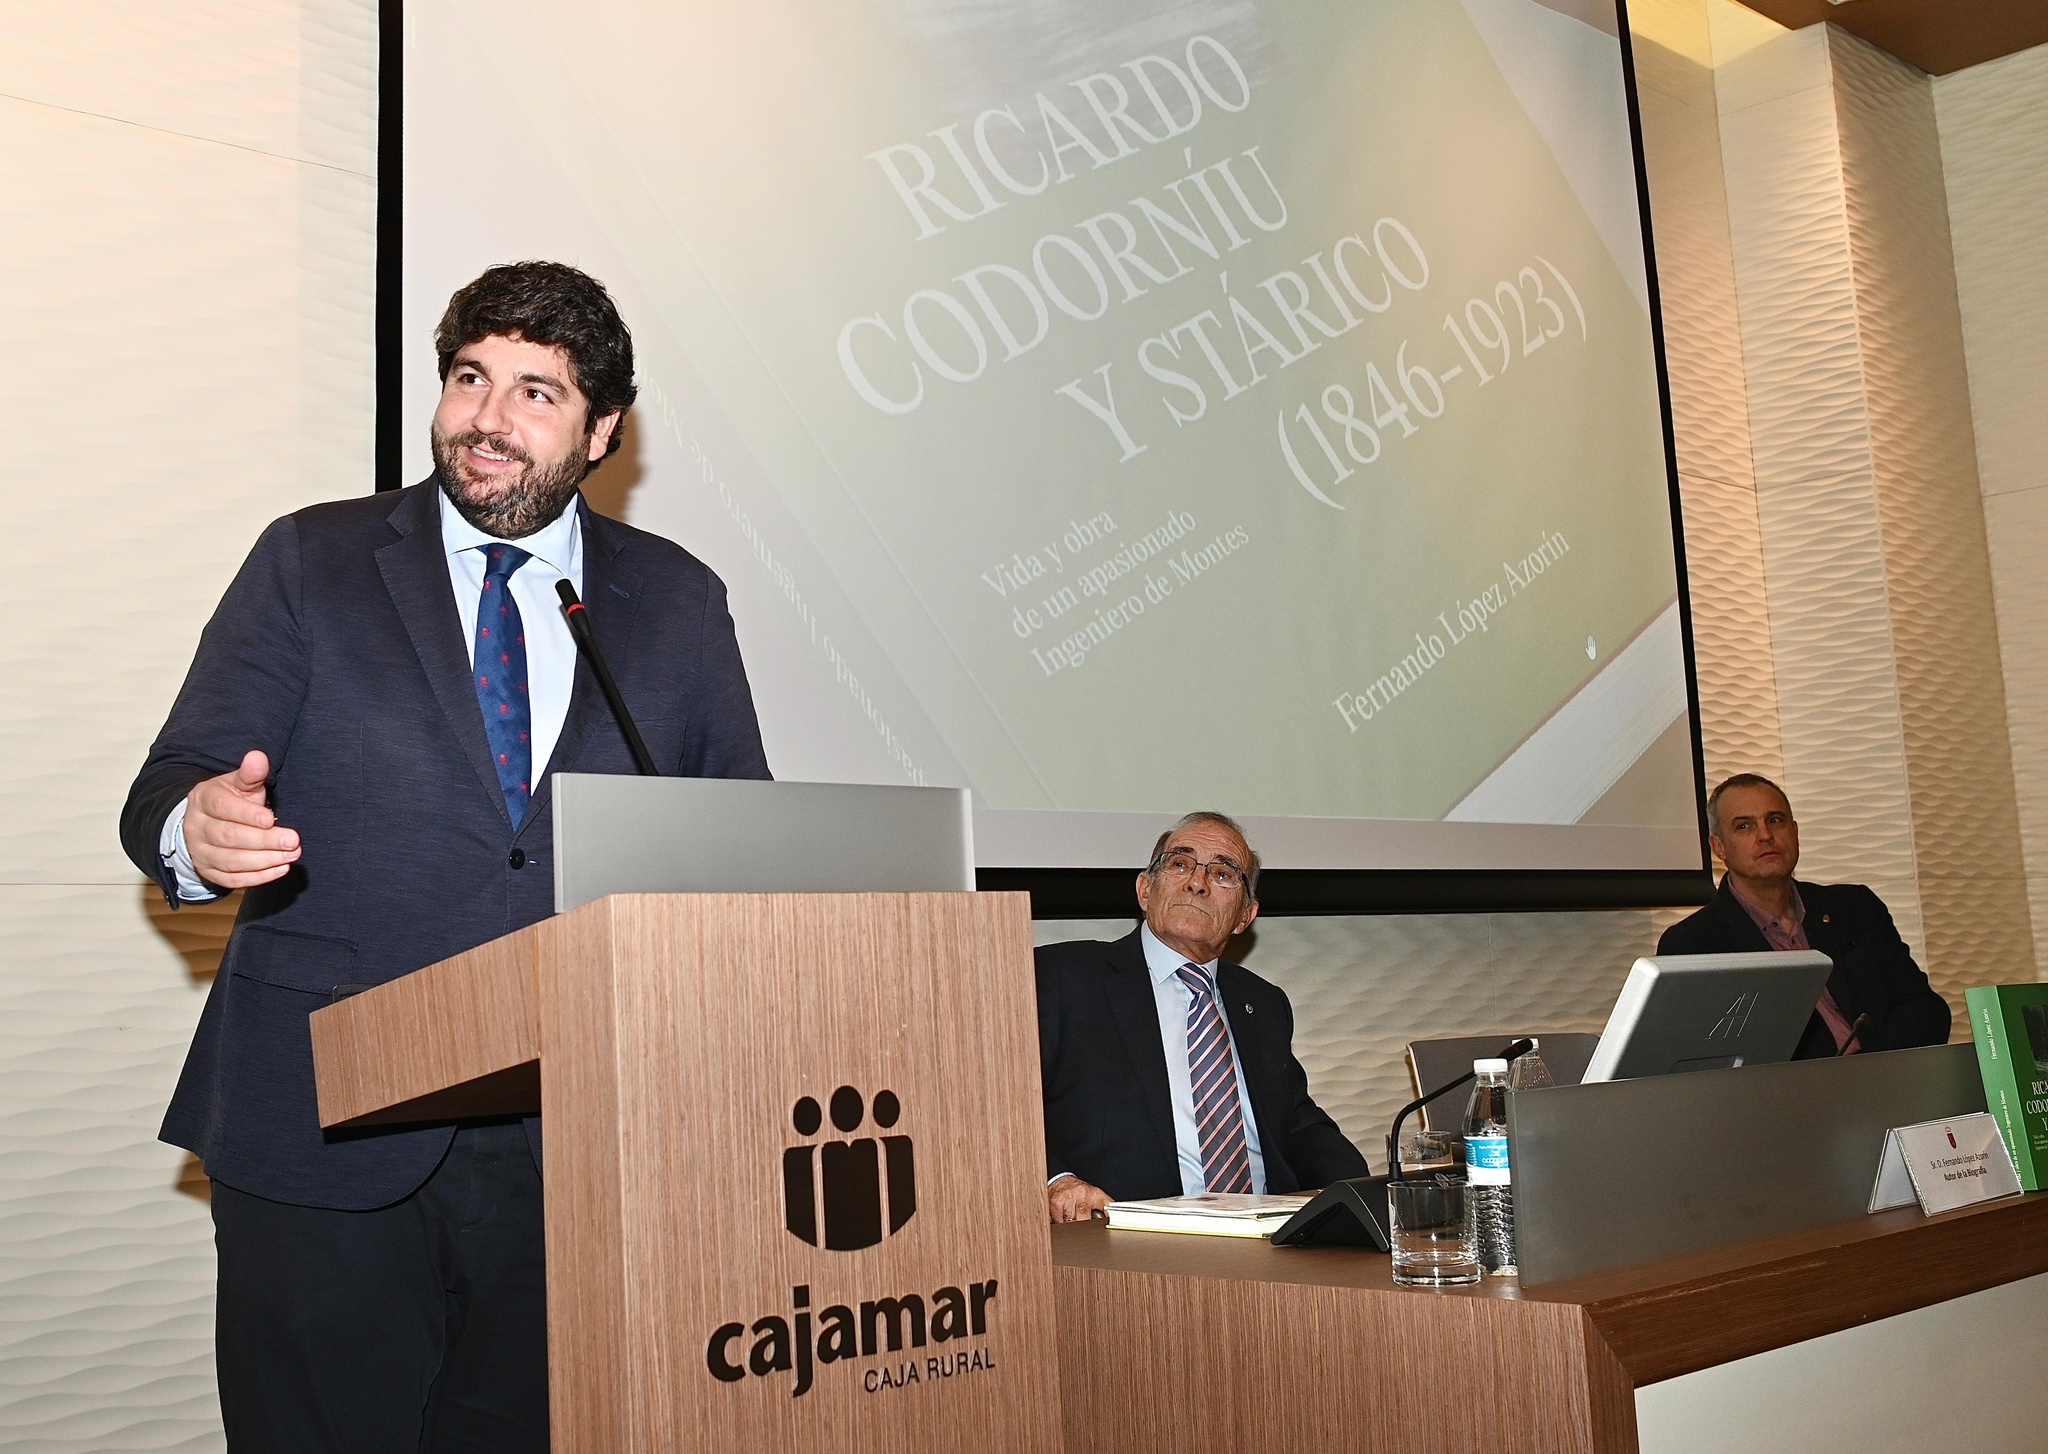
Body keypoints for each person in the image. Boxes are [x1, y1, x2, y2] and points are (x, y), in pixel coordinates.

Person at [119, 261, 771, 1450]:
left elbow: (739, 840)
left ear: (602, 429)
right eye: (471, 378)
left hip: (575, 1144)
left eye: (535, 392)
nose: (486, 418)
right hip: (324, 1126)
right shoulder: (311, 559)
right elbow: (176, 779)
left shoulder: (676, 600)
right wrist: (196, 829)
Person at [1035, 811, 1369, 1222]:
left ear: (1246, 916)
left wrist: (1368, 1194)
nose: (1197, 882)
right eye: (1180, 864)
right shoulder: (1063, 978)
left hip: (1270, 1234)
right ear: (1144, 889)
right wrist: (1057, 1180)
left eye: (1223, 874)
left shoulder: (1262, 1002)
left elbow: (1296, 1122)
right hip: (1130, 1237)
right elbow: (1002, 1106)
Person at [1657, 774, 1949, 1058]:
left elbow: (1925, 1009)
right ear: (1718, 847)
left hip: (1890, 1082)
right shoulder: (1692, 944)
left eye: (1775, 820)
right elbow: (1714, 1061)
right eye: (1744, 826)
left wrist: (1869, 1072)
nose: (1766, 836)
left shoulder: (1855, 908)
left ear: (1795, 831)